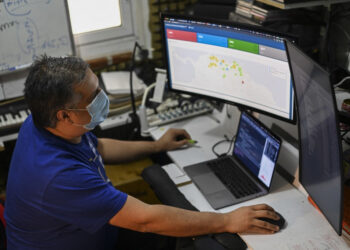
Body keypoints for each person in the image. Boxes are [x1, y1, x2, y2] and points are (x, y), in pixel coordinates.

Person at [5, 56, 280, 250]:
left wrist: (157, 146)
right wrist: (228, 220)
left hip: (99, 232)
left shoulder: (43, 122)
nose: (104, 99)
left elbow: (98, 147)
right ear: (64, 115)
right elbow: (145, 220)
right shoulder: (57, 176)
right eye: (94, 97)